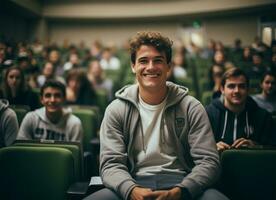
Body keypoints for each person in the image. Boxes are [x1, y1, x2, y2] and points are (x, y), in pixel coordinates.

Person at [84, 31, 228, 200]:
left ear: (168, 66)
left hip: (182, 183)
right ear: (133, 66)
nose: (151, 67)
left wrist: (180, 191)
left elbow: (209, 162)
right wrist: (131, 190)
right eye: (143, 61)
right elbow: (110, 164)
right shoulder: (116, 110)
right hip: (132, 181)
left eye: (158, 60)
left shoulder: (191, 107)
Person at [206, 68, 275, 152]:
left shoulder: (263, 117)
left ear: (248, 89)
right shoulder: (208, 114)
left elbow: (272, 150)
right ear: (222, 89)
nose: (237, 91)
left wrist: (257, 147)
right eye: (231, 86)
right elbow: (196, 148)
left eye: (242, 86)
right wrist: (211, 148)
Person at [17, 80, 83, 142]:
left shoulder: (74, 123)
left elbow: (75, 153)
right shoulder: (31, 118)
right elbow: (21, 149)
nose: (52, 100)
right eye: (48, 96)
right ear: (42, 99)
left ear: (64, 99)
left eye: (57, 96)